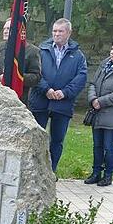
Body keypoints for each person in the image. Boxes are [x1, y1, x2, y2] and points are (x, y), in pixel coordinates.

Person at [29, 18, 88, 173]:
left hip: (62, 105)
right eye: (54, 31)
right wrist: (46, 89)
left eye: (60, 31)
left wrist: (64, 92)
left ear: (68, 33)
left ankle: (50, 172)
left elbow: (81, 78)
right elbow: (35, 72)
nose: (56, 34)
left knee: (57, 140)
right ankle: (32, 171)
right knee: (36, 138)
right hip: (40, 101)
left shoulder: (78, 56)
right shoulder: (41, 50)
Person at [84, 37, 113, 187]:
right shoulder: (105, 64)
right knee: (97, 145)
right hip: (98, 113)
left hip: (112, 114)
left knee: (109, 146)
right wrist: (93, 98)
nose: (112, 52)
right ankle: (96, 172)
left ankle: (108, 175)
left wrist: (101, 101)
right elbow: (93, 84)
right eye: (112, 49)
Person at [0, 18, 41, 106]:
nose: (5, 31)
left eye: (8, 29)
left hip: (18, 101)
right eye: (4, 29)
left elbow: (36, 77)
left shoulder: (32, 51)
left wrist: (17, 77)